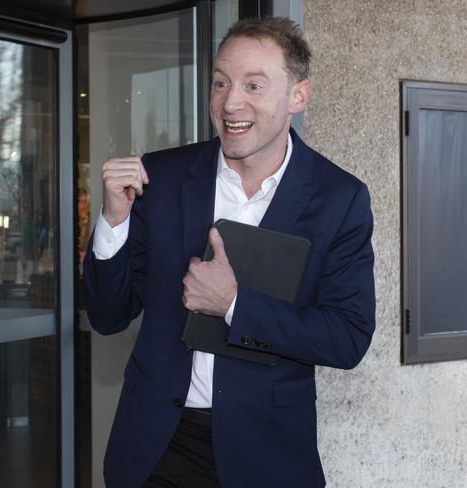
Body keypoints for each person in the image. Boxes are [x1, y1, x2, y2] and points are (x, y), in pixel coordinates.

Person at [83, 17, 375, 488]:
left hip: (268, 454)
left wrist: (235, 305)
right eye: (221, 82)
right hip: (157, 448)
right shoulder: (162, 178)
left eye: (253, 85)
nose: (230, 101)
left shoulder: (339, 199)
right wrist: (113, 220)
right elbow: (108, 314)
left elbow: (347, 338)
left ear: (298, 96)